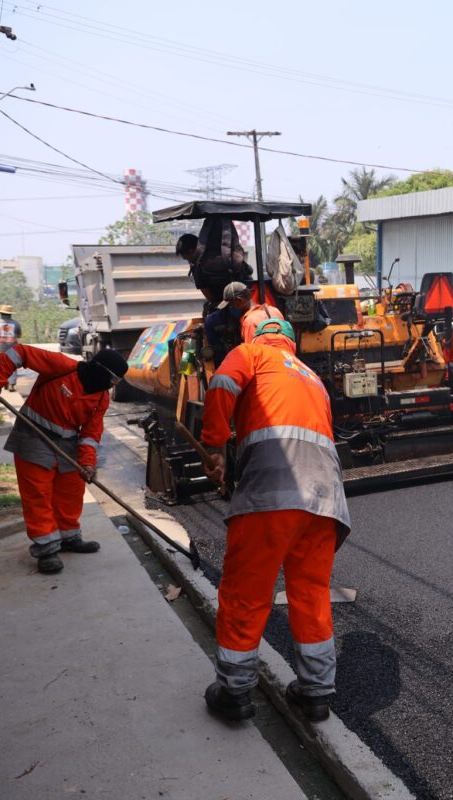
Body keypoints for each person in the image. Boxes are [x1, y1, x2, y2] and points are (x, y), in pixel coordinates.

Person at [199, 318, 350, 723]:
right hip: (325, 498)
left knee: (246, 592)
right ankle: (316, 693)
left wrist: (214, 446)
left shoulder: (250, 354)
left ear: (251, 334)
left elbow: (222, 385)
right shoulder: (310, 376)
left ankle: (234, 691)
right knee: (311, 593)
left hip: (271, 492)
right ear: (289, 338)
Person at [0, 344, 129, 573]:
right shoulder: (63, 367)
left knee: (72, 489)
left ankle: (69, 537)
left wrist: (88, 463)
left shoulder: (100, 398)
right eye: (112, 380)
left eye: (116, 383)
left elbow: (90, 434)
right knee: (38, 493)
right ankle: (47, 549)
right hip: (34, 434)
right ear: (100, 371)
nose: (112, 386)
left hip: (67, 442)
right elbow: (19, 353)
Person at [203, 281, 285, 366]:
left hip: (267, 365)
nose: (231, 308)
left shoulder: (250, 321)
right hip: (285, 361)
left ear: (238, 301)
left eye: (231, 305)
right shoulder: (274, 311)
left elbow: (251, 355)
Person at [176, 230, 253, 307]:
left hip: (228, 304)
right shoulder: (226, 253)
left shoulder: (198, 268)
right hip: (247, 298)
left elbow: (210, 298)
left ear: (191, 251)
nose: (189, 262)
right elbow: (249, 271)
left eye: (187, 258)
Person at [0, 304, 23, 391]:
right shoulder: (16, 323)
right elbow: (19, 335)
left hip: (0, 348)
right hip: (13, 348)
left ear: (1, 313)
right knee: (12, 366)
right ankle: (11, 384)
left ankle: (4, 383)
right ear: (10, 314)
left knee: (1, 366)